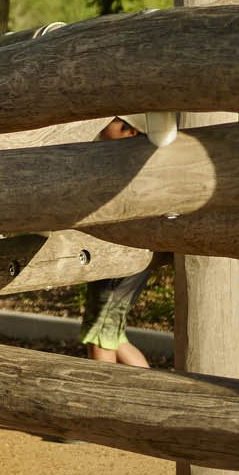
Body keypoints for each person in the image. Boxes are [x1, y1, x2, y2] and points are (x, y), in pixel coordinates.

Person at [80, 115, 155, 367]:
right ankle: (149, 396)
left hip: (120, 260)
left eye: (110, 121)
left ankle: (108, 399)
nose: (100, 125)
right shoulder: (133, 161)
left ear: (131, 131)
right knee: (114, 335)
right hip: (122, 257)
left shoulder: (125, 165)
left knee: (100, 335)